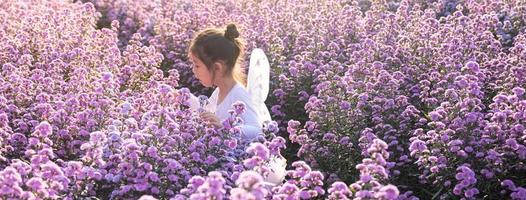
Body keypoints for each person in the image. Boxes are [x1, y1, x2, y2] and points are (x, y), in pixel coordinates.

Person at [186, 24, 285, 185]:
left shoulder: (238, 94)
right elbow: (207, 115)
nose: (193, 70)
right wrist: (187, 99)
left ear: (217, 67)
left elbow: (256, 129)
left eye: (197, 65)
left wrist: (226, 127)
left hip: (243, 171)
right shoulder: (219, 91)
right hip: (225, 163)